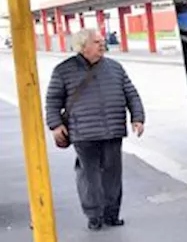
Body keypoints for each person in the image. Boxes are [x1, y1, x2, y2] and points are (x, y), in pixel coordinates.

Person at [44, 28, 145, 231]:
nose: (102, 45)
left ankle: (111, 214)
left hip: (112, 130)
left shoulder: (115, 67)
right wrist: (55, 125)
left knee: (112, 174)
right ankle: (94, 215)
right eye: (97, 42)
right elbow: (52, 100)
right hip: (83, 133)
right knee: (89, 175)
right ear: (83, 47)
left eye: (102, 41)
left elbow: (131, 93)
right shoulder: (63, 70)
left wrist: (138, 118)